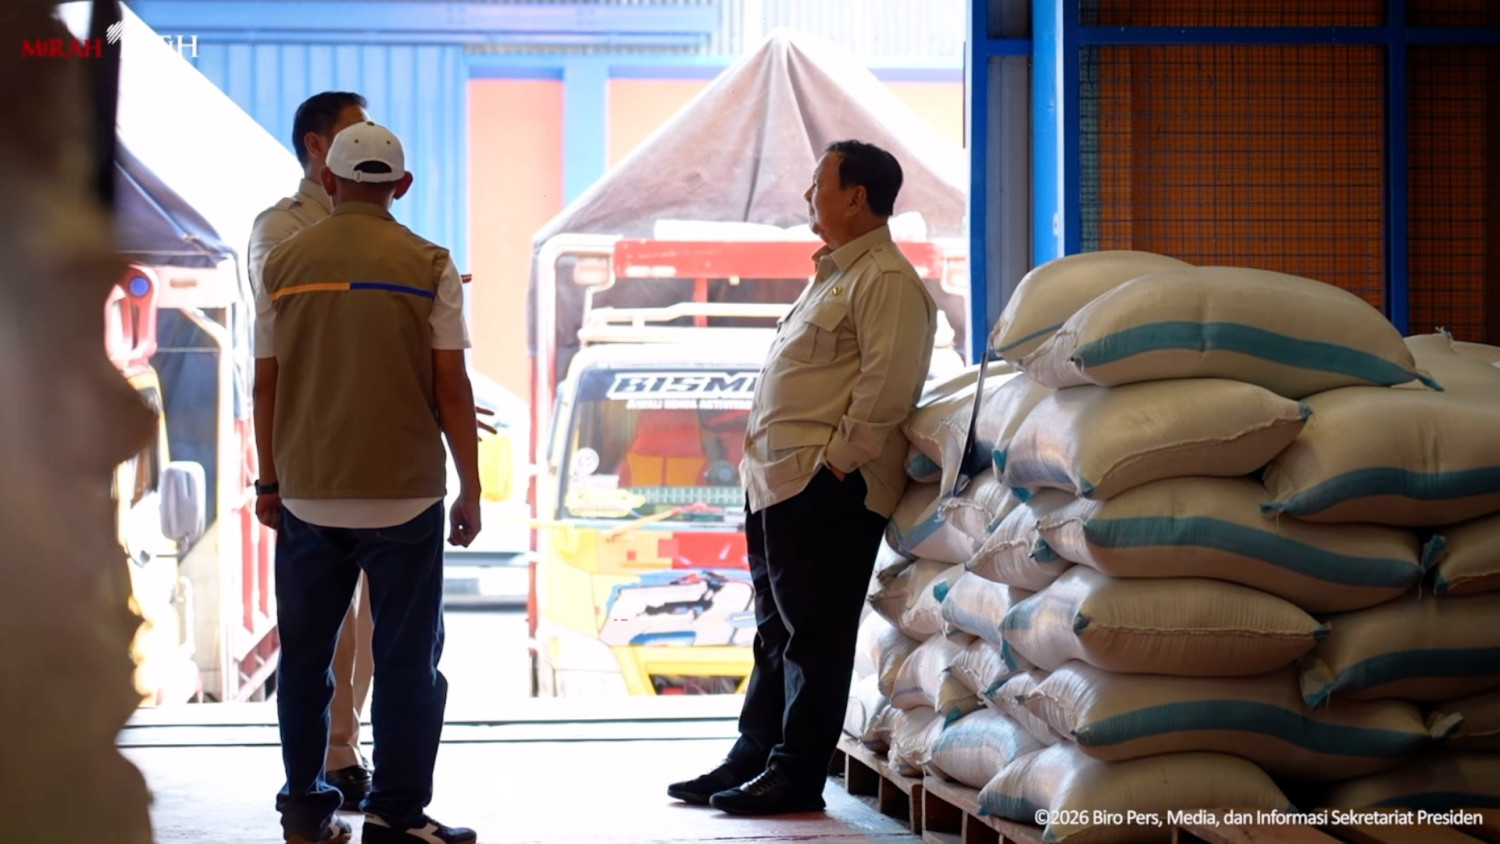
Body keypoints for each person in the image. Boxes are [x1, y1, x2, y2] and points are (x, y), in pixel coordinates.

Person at [668, 140, 938, 815]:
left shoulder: (887, 280)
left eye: (819, 183)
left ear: (856, 196)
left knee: (815, 637)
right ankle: (754, 754)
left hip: (825, 489)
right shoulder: (835, 274)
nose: (808, 197)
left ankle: (796, 774)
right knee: (775, 634)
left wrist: (837, 469)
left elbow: (887, 388)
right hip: (777, 484)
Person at [253, 121, 481, 844]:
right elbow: (453, 387)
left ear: (329, 180)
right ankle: (395, 815)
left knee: (308, 659)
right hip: (405, 492)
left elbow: (264, 384)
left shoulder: (282, 263)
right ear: (400, 187)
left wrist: (269, 481)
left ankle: (305, 809)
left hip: (309, 490)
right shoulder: (431, 263)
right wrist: (471, 486)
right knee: (408, 661)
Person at [248, 91, 377, 812]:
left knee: (376, 631)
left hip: (378, 445)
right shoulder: (281, 226)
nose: (371, 145)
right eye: (356, 134)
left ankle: (351, 753)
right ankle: (325, 765)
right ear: (315, 147)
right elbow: (286, 313)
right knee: (322, 633)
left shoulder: (383, 228)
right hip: (311, 445)